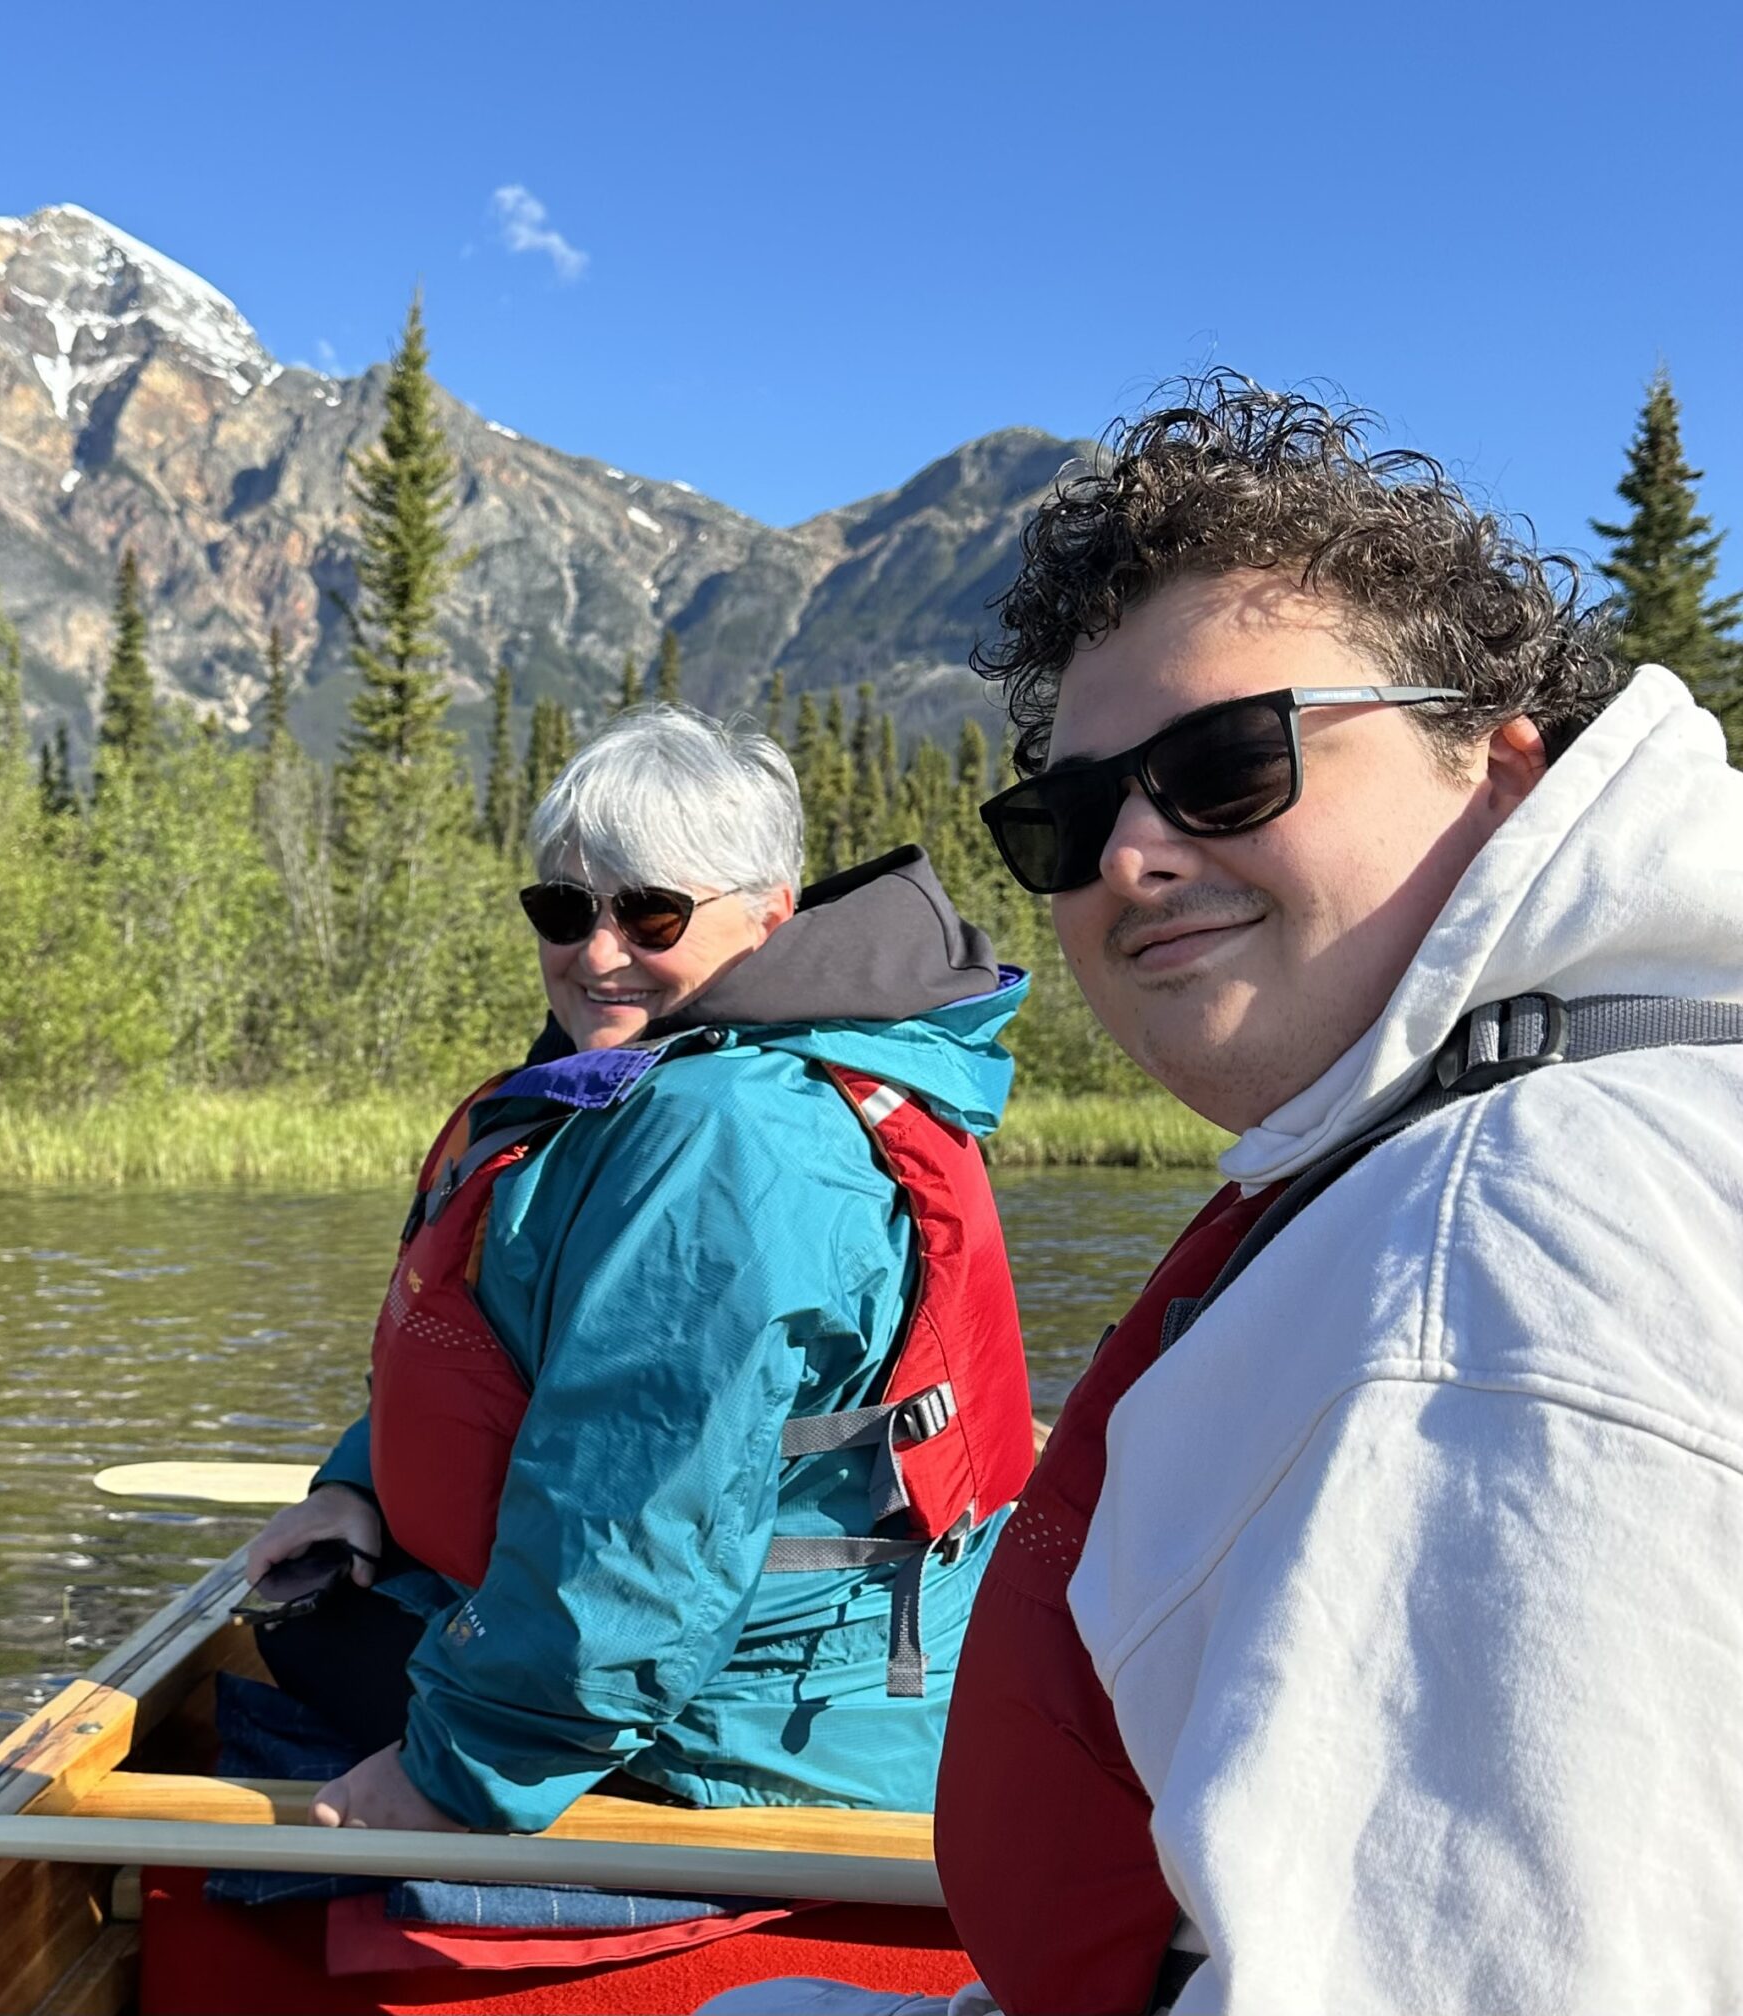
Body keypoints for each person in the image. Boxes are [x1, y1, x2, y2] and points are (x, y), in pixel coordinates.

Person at [718, 377, 1743, 2016]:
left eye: (1226, 763)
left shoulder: (1488, 1269)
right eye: (1065, 816)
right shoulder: (1564, 1129)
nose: (1129, 854)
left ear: (1498, 770)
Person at [243, 703, 1039, 1837]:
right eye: (563, 909)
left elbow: (638, 1531)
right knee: (311, 1621)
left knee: (306, 1644)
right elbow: (517, 1350)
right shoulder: (656, 1073)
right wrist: (359, 1479)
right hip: (727, 1669)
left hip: (753, 1723)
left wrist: (453, 1773)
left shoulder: (731, 1132)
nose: (599, 951)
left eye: (652, 912)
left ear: (770, 913)